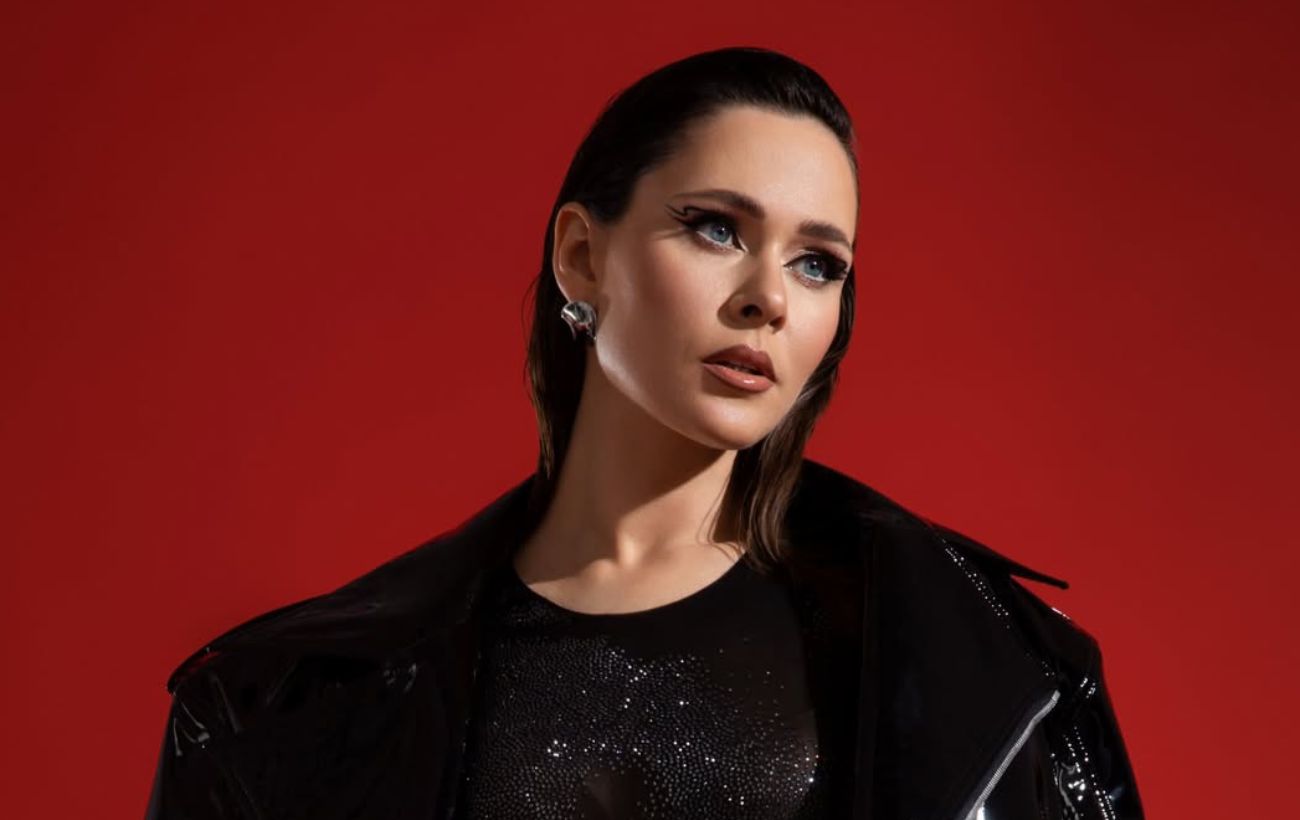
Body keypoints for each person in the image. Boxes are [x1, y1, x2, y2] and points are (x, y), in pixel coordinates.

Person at [144, 47, 1144, 819]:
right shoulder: (291, 705)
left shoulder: (990, 665)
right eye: (716, 227)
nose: (767, 299)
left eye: (818, 264)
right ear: (582, 257)